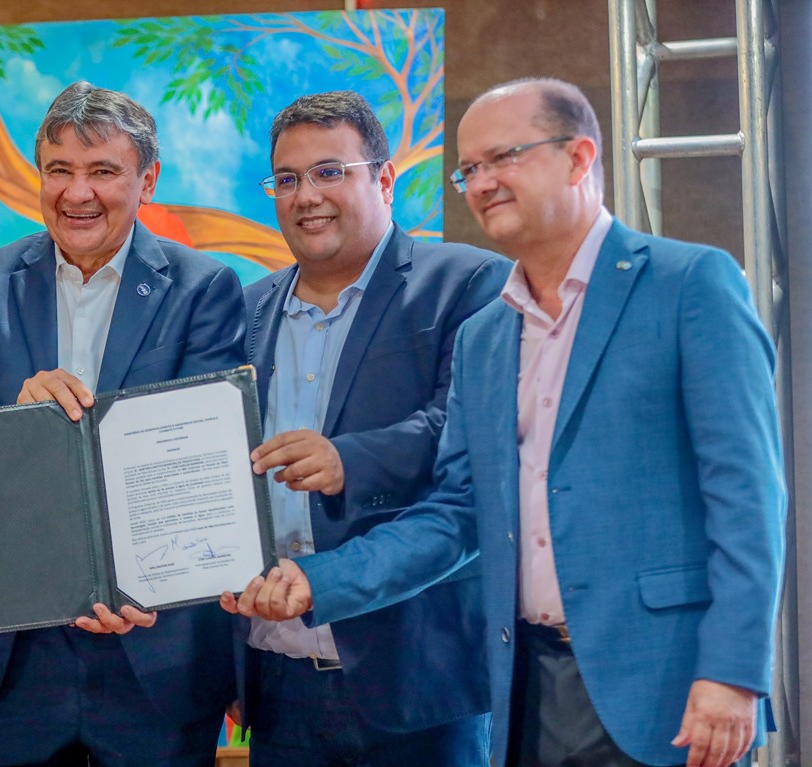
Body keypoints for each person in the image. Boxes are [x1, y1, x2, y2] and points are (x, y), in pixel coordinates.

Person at [227, 78, 786, 767]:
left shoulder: (688, 283)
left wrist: (732, 672)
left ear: (579, 157)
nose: (484, 181)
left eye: (505, 157)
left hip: (662, 685)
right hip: (524, 685)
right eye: (470, 169)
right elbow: (460, 512)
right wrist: (325, 580)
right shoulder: (488, 334)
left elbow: (748, 497)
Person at [0, 81, 246, 766]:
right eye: (59, 170)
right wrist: (18, 420)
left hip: (153, 649)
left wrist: (133, 579)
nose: (77, 193)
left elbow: (206, 460)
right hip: (16, 656)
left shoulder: (203, 288)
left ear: (147, 180)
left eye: (102, 170)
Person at [223, 90, 509, 766]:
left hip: (419, 681)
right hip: (276, 679)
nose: (305, 196)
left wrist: (350, 459)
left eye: (329, 171)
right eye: (286, 179)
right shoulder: (244, 310)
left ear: (384, 179)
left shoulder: (468, 283)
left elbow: (469, 431)